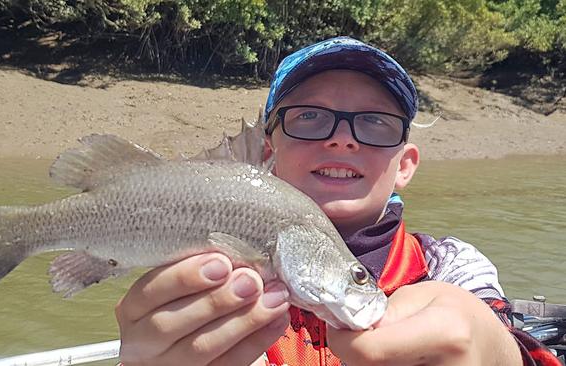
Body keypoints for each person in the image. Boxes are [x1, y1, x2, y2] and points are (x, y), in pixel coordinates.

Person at [114, 36, 561, 365]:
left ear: (405, 165)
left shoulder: (452, 266)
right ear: (269, 153)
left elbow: (506, 336)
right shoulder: (209, 272)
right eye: (310, 118)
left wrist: (496, 351)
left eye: (374, 122)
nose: (343, 140)